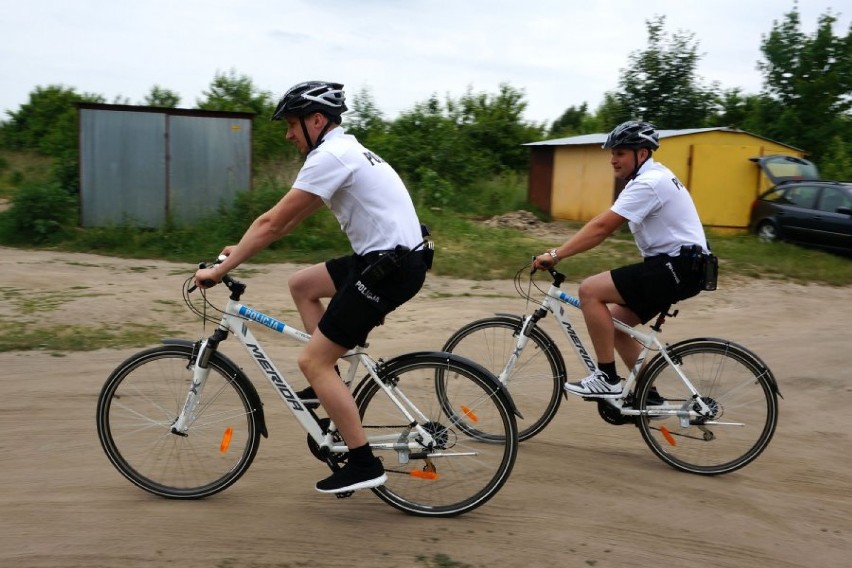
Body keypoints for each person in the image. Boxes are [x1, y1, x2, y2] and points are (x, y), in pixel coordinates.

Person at [194, 80, 429, 494]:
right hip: (388, 259)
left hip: (388, 266)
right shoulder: (346, 150)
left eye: (290, 124)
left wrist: (222, 268)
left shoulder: (331, 155)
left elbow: (273, 222)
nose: (287, 134)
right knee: (302, 285)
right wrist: (238, 253)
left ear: (316, 120)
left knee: (312, 362)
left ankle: (362, 462)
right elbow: (287, 220)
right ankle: (330, 383)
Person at [532, 120, 712, 400]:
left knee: (590, 290)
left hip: (675, 267)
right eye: (612, 153)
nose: (613, 159)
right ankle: (648, 394)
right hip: (682, 268)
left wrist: (556, 254)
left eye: (621, 153)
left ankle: (606, 377)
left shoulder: (649, 183)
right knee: (612, 324)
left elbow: (602, 228)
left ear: (642, 154)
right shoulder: (651, 178)